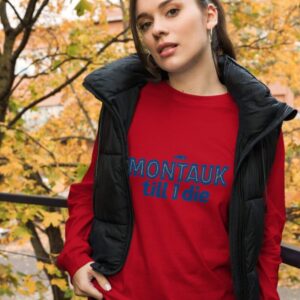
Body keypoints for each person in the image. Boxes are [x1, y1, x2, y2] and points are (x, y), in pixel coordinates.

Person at [56, 0, 298, 299]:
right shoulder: (124, 105)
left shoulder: (259, 125)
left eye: (172, 11)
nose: (157, 29)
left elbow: (266, 237)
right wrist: (76, 257)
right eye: (145, 24)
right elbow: (89, 192)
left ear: (209, 15)